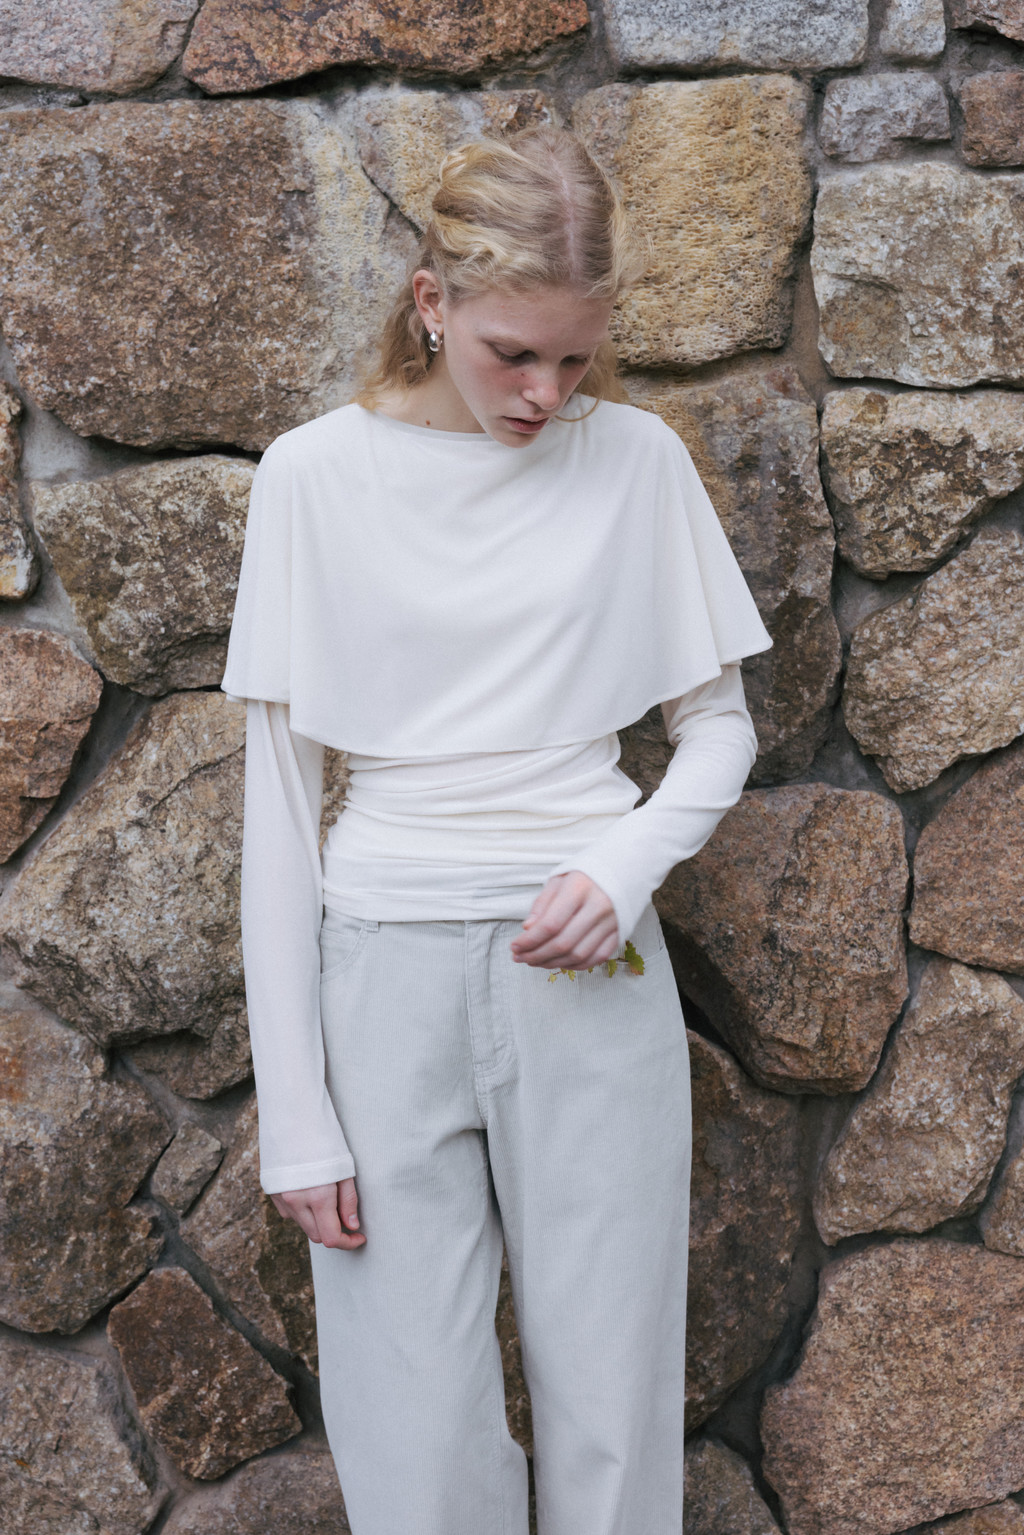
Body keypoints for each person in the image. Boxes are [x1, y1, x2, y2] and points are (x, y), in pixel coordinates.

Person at [221, 125, 771, 1535]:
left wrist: (622, 864)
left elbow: (718, 727)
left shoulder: (634, 462)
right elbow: (280, 803)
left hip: (589, 974)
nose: (544, 393)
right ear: (433, 303)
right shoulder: (312, 477)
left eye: (575, 361)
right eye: (512, 353)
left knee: (613, 1403)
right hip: (381, 971)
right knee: (410, 1424)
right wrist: (296, 1119)